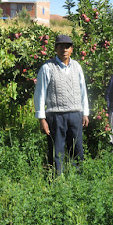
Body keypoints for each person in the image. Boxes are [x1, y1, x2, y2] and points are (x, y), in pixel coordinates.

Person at [34, 34, 89, 174]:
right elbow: (40, 94)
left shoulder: (77, 66)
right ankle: (56, 181)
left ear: (71, 49)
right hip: (55, 116)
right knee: (56, 151)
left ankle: (78, 179)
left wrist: (85, 113)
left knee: (77, 149)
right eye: (61, 46)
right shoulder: (47, 67)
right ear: (56, 49)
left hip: (76, 115)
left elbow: (83, 91)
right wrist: (42, 119)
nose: (64, 49)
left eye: (67, 46)